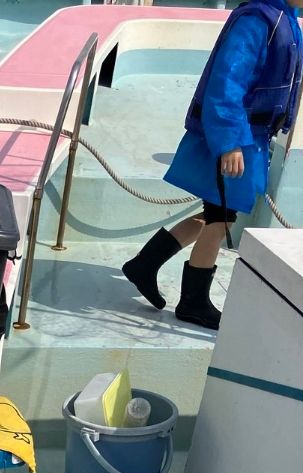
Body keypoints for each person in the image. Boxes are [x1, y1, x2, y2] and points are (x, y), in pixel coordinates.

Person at [122, 0, 302, 331]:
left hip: (251, 137)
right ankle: (193, 302)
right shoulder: (258, 21)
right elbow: (227, 81)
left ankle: (145, 264)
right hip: (236, 136)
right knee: (220, 219)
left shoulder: (282, 17)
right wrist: (229, 142)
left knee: (215, 214)